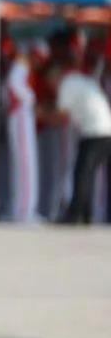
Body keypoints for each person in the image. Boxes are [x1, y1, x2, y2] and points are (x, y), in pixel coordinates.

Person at [57, 44, 111, 224]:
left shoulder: (67, 82)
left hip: (95, 133)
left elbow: (61, 114)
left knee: (82, 174)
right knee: (91, 175)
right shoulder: (82, 80)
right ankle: (88, 214)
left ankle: (76, 215)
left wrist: (39, 111)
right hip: (104, 130)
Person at [3, 39, 39, 223]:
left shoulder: (19, 64)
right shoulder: (21, 64)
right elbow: (13, 84)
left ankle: (23, 209)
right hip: (21, 115)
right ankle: (25, 211)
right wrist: (31, 98)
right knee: (25, 165)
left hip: (20, 115)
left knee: (23, 165)